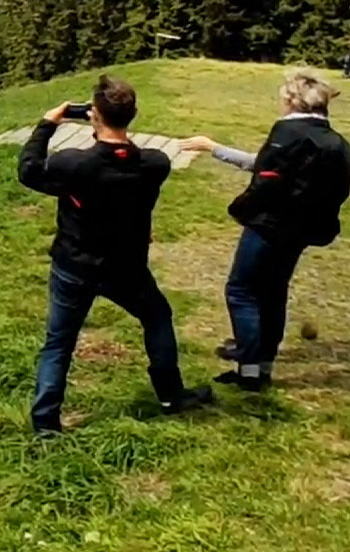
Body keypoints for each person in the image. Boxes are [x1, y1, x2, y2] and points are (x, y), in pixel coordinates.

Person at [18, 74, 216, 437]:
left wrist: (47, 124)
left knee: (59, 342)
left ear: (94, 115)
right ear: (133, 114)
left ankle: (46, 424)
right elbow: (127, 167)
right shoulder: (156, 164)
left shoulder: (73, 165)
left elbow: (28, 171)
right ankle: (171, 395)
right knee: (157, 317)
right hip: (127, 266)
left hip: (74, 264)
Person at [180, 69, 350, 391]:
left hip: (269, 226)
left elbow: (266, 179)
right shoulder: (337, 143)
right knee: (274, 293)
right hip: (303, 229)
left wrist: (243, 208)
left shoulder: (287, 132)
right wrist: (215, 148)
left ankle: (247, 367)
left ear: (291, 100)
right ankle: (263, 365)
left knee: (241, 290)